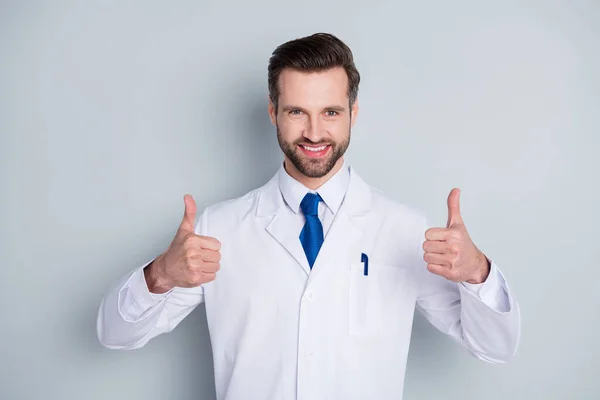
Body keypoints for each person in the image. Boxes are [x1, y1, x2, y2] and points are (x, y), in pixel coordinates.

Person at [97, 32, 521, 400]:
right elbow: (115, 334)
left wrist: (477, 273)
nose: (314, 133)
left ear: (353, 114)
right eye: (297, 111)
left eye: (331, 113)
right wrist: (162, 276)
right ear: (273, 113)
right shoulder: (219, 229)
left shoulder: (404, 229)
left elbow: (495, 347)